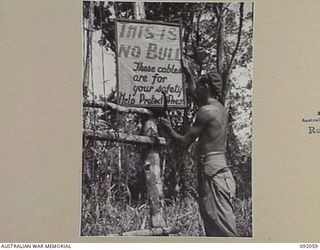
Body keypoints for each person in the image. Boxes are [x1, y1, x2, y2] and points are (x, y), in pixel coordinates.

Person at [160, 64, 238, 237]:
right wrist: (189, 75)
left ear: (207, 87)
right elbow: (197, 94)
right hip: (219, 167)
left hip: (210, 168)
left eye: (200, 86)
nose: (197, 90)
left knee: (219, 222)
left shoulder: (205, 111)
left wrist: (169, 128)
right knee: (215, 218)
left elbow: (183, 143)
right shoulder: (220, 109)